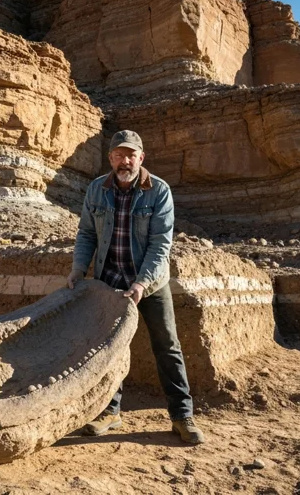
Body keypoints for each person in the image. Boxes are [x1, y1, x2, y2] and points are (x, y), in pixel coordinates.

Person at [67, 130, 205, 445]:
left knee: (167, 345)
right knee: (108, 347)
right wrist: (78, 269)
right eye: (119, 154)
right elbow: (87, 234)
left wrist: (142, 282)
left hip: (150, 283)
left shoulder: (158, 191)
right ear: (110, 158)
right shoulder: (96, 190)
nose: (124, 160)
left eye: (131, 155)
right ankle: (110, 411)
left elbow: (160, 244)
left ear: (141, 158)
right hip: (109, 281)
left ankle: (182, 415)